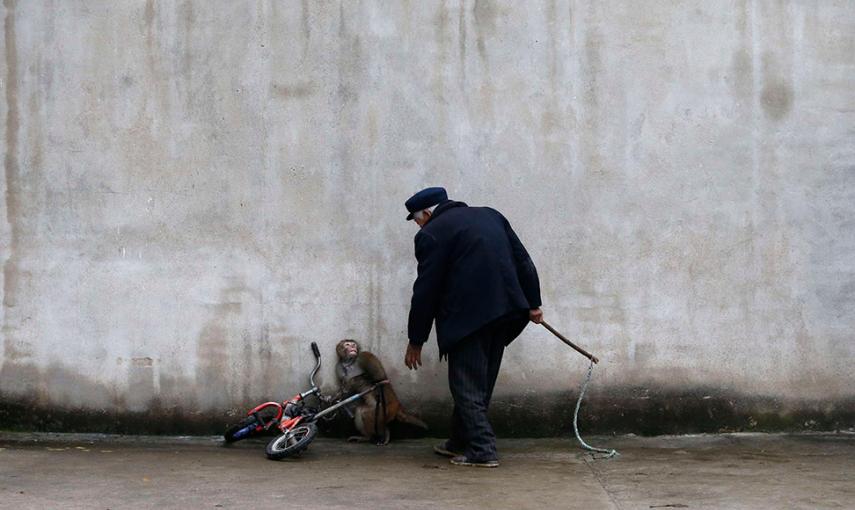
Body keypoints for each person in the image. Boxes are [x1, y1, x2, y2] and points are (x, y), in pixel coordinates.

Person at [402, 186, 543, 468]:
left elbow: (426, 291)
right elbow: (523, 260)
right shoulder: (492, 215)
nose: (417, 226)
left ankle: (482, 449)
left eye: (416, 219)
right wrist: (533, 304)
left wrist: (416, 339)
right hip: (507, 313)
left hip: (468, 319)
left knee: (467, 387)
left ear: (427, 213)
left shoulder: (431, 233)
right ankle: (459, 440)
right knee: (477, 384)